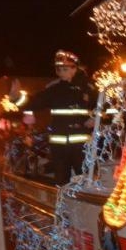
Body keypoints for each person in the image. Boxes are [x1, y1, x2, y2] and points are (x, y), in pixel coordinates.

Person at [23, 50, 95, 185]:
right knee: (61, 180)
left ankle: (85, 204)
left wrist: (95, 118)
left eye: (65, 69)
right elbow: (34, 102)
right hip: (59, 144)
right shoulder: (54, 89)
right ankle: (63, 205)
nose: (61, 72)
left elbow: (106, 106)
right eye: (59, 70)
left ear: (75, 69)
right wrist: (17, 98)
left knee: (84, 179)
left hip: (81, 144)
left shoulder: (89, 88)